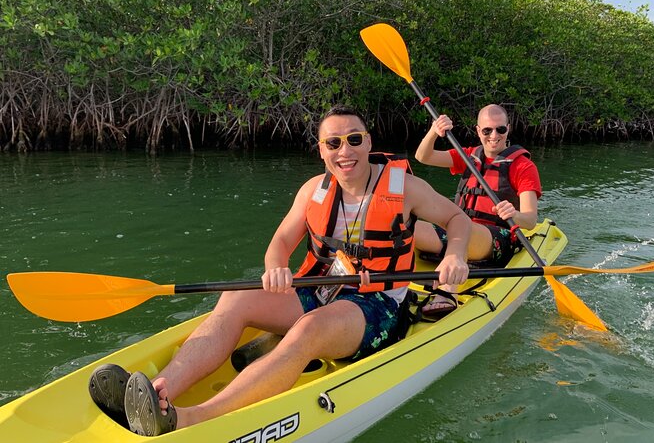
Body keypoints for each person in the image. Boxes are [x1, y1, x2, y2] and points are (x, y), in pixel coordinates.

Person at [87, 105, 472, 436]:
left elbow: (456, 219)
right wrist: (275, 267)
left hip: (378, 304)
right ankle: (155, 393)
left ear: (369, 142)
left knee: (310, 329)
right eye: (333, 143)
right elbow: (281, 243)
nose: (345, 151)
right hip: (320, 289)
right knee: (236, 296)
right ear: (321, 150)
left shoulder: (405, 187)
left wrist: (455, 255)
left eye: (354, 139)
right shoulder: (312, 191)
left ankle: (189, 418)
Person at [413, 104, 542, 318]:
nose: (494, 136)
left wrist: (514, 214)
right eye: (487, 130)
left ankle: (447, 292)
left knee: (465, 229)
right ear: (478, 130)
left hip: (497, 240)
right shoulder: (469, 156)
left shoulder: (523, 166)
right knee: (409, 226)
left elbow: (530, 220)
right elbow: (423, 157)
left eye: (500, 129)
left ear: (508, 129)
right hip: (458, 232)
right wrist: (434, 132)